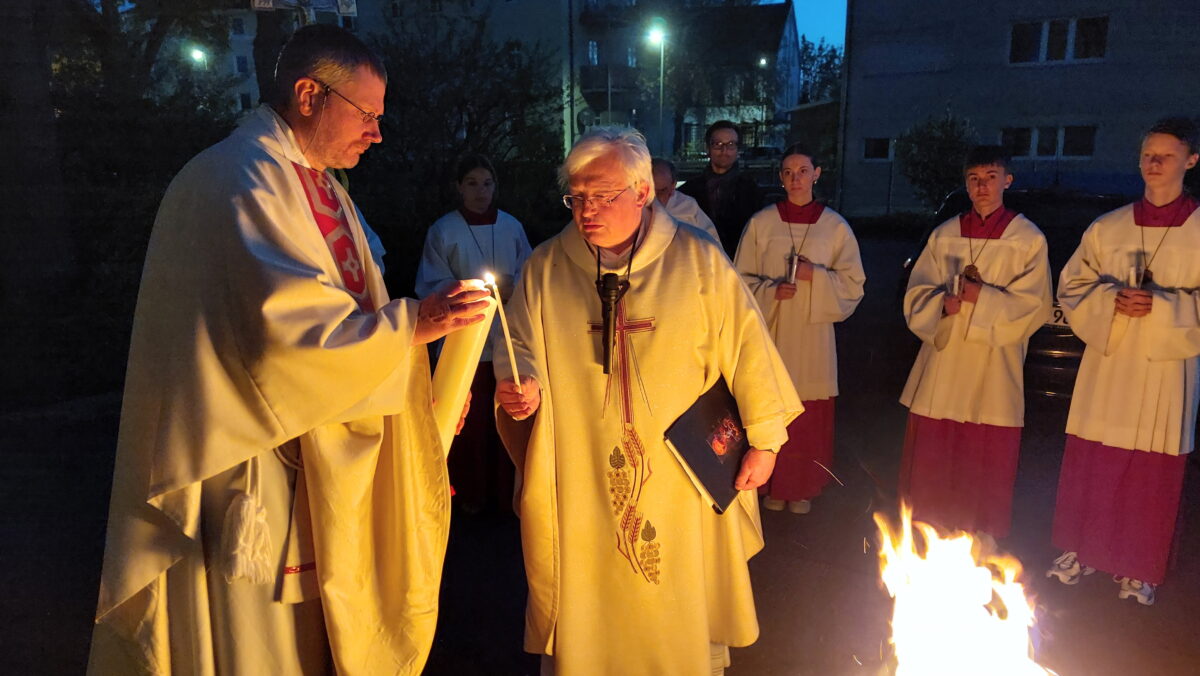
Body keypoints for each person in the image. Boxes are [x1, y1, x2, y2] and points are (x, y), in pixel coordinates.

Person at [87, 25, 489, 675]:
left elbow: (347, 318)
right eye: (367, 114)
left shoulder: (321, 187)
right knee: (259, 646)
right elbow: (284, 338)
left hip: (313, 455)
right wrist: (415, 325)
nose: (377, 133)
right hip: (248, 472)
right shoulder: (236, 182)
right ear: (309, 94)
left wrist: (423, 402)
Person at [493, 128, 802, 675]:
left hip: (679, 469)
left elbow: (749, 349)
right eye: (578, 197)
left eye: (603, 195)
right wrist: (525, 386)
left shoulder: (698, 261)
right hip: (582, 466)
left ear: (641, 192)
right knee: (590, 581)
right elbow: (518, 344)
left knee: (677, 587)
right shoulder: (546, 267)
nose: (587, 210)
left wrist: (767, 441)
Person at [1045, 117, 1200, 606]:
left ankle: (1138, 566)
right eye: (1147, 154)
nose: (1153, 164)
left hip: (1164, 371)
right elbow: (1070, 286)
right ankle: (1080, 549)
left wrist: (1166, 306)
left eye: (1166, 155)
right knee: (1094, 461)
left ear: (1191, 161)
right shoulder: (1107, 227)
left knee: (1151, 472)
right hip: (1109, 367)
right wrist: (1109, 299)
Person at [899, 145, 1051, 539]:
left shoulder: (1027, 238)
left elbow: (1035, 306)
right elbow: (916, 294)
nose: (982, 186)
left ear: (1007, 180)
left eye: (990, 177)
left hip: (992, 367)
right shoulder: (945, 234)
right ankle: (928, 536)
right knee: (935, 457)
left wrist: (980, 298)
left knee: (982, 457)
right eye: (974, 179)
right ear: (966, 184)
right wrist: (942, 306)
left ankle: (979, 538)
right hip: (944, 365)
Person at [733, 144, 865, 515]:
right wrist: (771, 290)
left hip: (813, 335)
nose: (796, 179)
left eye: (803, 171)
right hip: (771, 332)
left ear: (816, 174)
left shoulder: (835, 226)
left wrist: (815, 277)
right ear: (781, 177)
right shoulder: (762, 223)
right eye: (788, 172)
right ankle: (773, 485)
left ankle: (802, 486)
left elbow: (854, 283)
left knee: (809, 412)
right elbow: (738, 281)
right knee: (769, 403)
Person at [416, 154, 532, 512]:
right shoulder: (444, 230)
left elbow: (528, 274)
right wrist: (467, 291)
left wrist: (515, 288)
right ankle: (468, 500)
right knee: (467, 424)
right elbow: (430, 284)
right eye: (472, 183)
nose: (480, 191)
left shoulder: (512, 227)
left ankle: (504, 496)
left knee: (502, 419)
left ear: (495, 187)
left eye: (486, 183)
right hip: (464, 341)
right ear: (459, 188)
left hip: (506, 340)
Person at [678, 120, 765, 256]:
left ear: (738, 150)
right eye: (718, 144)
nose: (724, 150)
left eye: (731, 144)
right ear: (708, 149)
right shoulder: (688, 192)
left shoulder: (753, 192)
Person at [651, 157, 720, 242]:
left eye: (662, 191)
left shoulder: (689, 207)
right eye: (651, 191)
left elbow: (713, 243)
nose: (654, 198)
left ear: (673, 186)